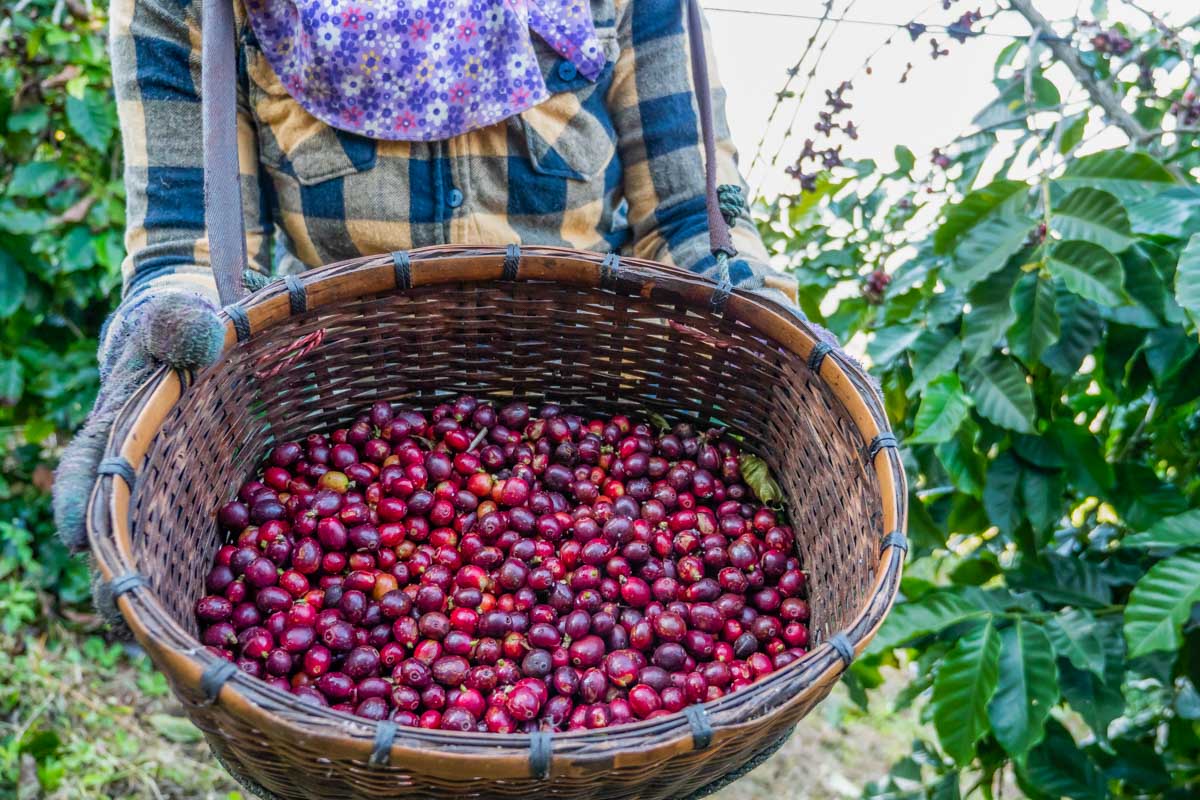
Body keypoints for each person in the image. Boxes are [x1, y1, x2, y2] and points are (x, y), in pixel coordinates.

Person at [54, 0, 796, 552]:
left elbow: (690, 223)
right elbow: (189, 249)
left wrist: (767, 320)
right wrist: (159, 344)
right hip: (335, 433)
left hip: (591, 431)